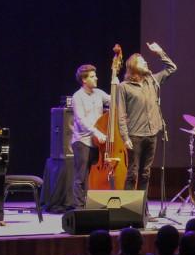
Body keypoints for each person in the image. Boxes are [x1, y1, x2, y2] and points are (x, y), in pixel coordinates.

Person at [118, 42, 177, 191]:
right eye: (142, 61)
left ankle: (142, 205)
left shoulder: (152, 81)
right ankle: (128, 205)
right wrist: (125, 137)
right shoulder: (124, 86)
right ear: (133, 66)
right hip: (135, 136)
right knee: (132, 173)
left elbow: (172, 68)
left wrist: (160, 52)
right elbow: (121, 114)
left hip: (152, 134)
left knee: (145, 173)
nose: (146, 63)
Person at [69, 64, 111, 209]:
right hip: (82, 141)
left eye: (95, 75)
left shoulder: (98, 93)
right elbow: (81, 121)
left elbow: (113, 100)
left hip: (97, 141)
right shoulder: (77, 97)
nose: (96, 78)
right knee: (81, 176)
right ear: (84, 80)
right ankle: (79, 206)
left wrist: (117, 85)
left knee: (94, 175)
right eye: (92, 76)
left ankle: (93, 203)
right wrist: (96, 132)